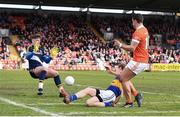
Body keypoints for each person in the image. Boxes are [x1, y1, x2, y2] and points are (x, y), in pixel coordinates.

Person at [113, 14, 149, 107]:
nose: (132, 23)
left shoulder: (138, 32)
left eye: (132, 21)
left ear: (135, 20)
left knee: (122, 78)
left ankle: (129, 102)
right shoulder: (145, 30)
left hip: (139, 61)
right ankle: (137, 95)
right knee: (124, 78)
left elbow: (132, 48)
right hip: (141, 60)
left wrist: (120, 45)